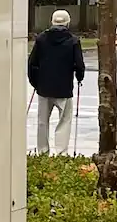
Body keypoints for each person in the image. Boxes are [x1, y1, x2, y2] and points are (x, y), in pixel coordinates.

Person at [27, 9, 85, 156]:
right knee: (64, 121)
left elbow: (32, 63)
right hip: (64, 88)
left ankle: (42, 151)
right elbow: (79, 64)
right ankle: (61, 153)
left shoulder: (41, 39)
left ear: (51, 21)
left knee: (42, 121)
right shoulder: (73, 41)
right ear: (68, 22)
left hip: (44, 87)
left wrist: (35, 82)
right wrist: (79, 77)